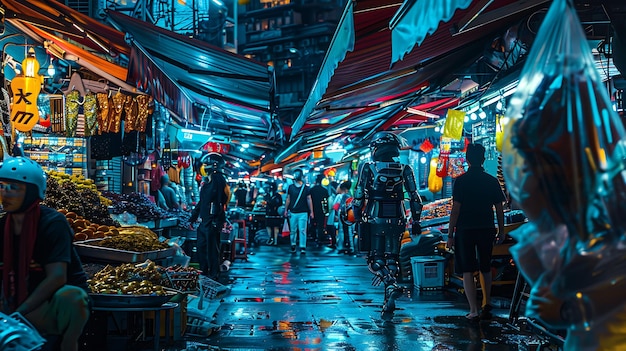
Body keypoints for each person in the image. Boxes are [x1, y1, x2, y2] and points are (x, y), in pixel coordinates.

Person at [0, 156, 90, 351]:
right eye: (2, 186)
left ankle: (69, 343)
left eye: (14, 188)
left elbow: (57, 277)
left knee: (72, 296)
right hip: (16, 298)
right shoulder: (2, 227)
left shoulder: (53, 223)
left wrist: (20, 312)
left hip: (51, 303)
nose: (5, 194)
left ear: (32, 192)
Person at [352, 132, 423, 320]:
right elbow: (415, 198)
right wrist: (416, 221)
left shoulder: (368, 167)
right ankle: (388, 302)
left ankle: (390, 285)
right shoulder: (405, 168)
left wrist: (358, 217)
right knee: (392, 258)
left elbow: (358, 196)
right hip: (398, 218)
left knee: (375, 259)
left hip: (375, 217)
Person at [446, 143, 505, 322]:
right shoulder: (491, 181)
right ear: (484, 158)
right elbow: (499, 208)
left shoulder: (461, 181)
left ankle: (473, 310)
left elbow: (455, 210)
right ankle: (486, 302)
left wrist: (450, 234)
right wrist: (501, 231)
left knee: (467, 270)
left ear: (467, 159)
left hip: (465, 230)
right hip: (486, 228)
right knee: (485, 267)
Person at [189, 152, 231, 279]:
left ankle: (213, 276)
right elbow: (202, 202)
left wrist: (217, 220)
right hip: (204, 222)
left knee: (212, 250)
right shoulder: (208, 182)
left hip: (212, 222)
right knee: (202, 248)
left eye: (206, 165)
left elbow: (220, 202)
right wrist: (193, 217)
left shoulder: (219, 181)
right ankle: (204, 273)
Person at [283, 168, 313, 254]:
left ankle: (300, 246)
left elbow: (288, 199)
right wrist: (286, 209)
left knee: (299, 230)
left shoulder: (302, 188)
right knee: (297, 230)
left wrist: (311, 211)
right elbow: (308, 199)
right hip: (295, 212)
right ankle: (295, 245)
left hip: (301, 212)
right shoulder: (292, 187)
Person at [309, 174, 329, 247]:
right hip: (321, 210)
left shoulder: (312, 190)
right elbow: (326, 200)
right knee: (320, 225)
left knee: (313, 223)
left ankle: (313, 236)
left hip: (313, 209)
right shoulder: (324, 190)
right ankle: (320, 239)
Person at [336, 180, 353, 253]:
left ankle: (342, 246)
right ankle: (351, 247)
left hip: (343, 215)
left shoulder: (340, 196)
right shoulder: (350, 195)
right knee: (349, 231)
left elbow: (336, 206)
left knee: (342, 231)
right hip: (350, 215)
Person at [264, 181, 283, 245]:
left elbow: (277, 204)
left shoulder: (276, 196)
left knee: (275, 226)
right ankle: (272, 239)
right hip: (270, 213)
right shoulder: (269, 195)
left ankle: (274, 240)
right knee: (270, 226)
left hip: (274, 213)